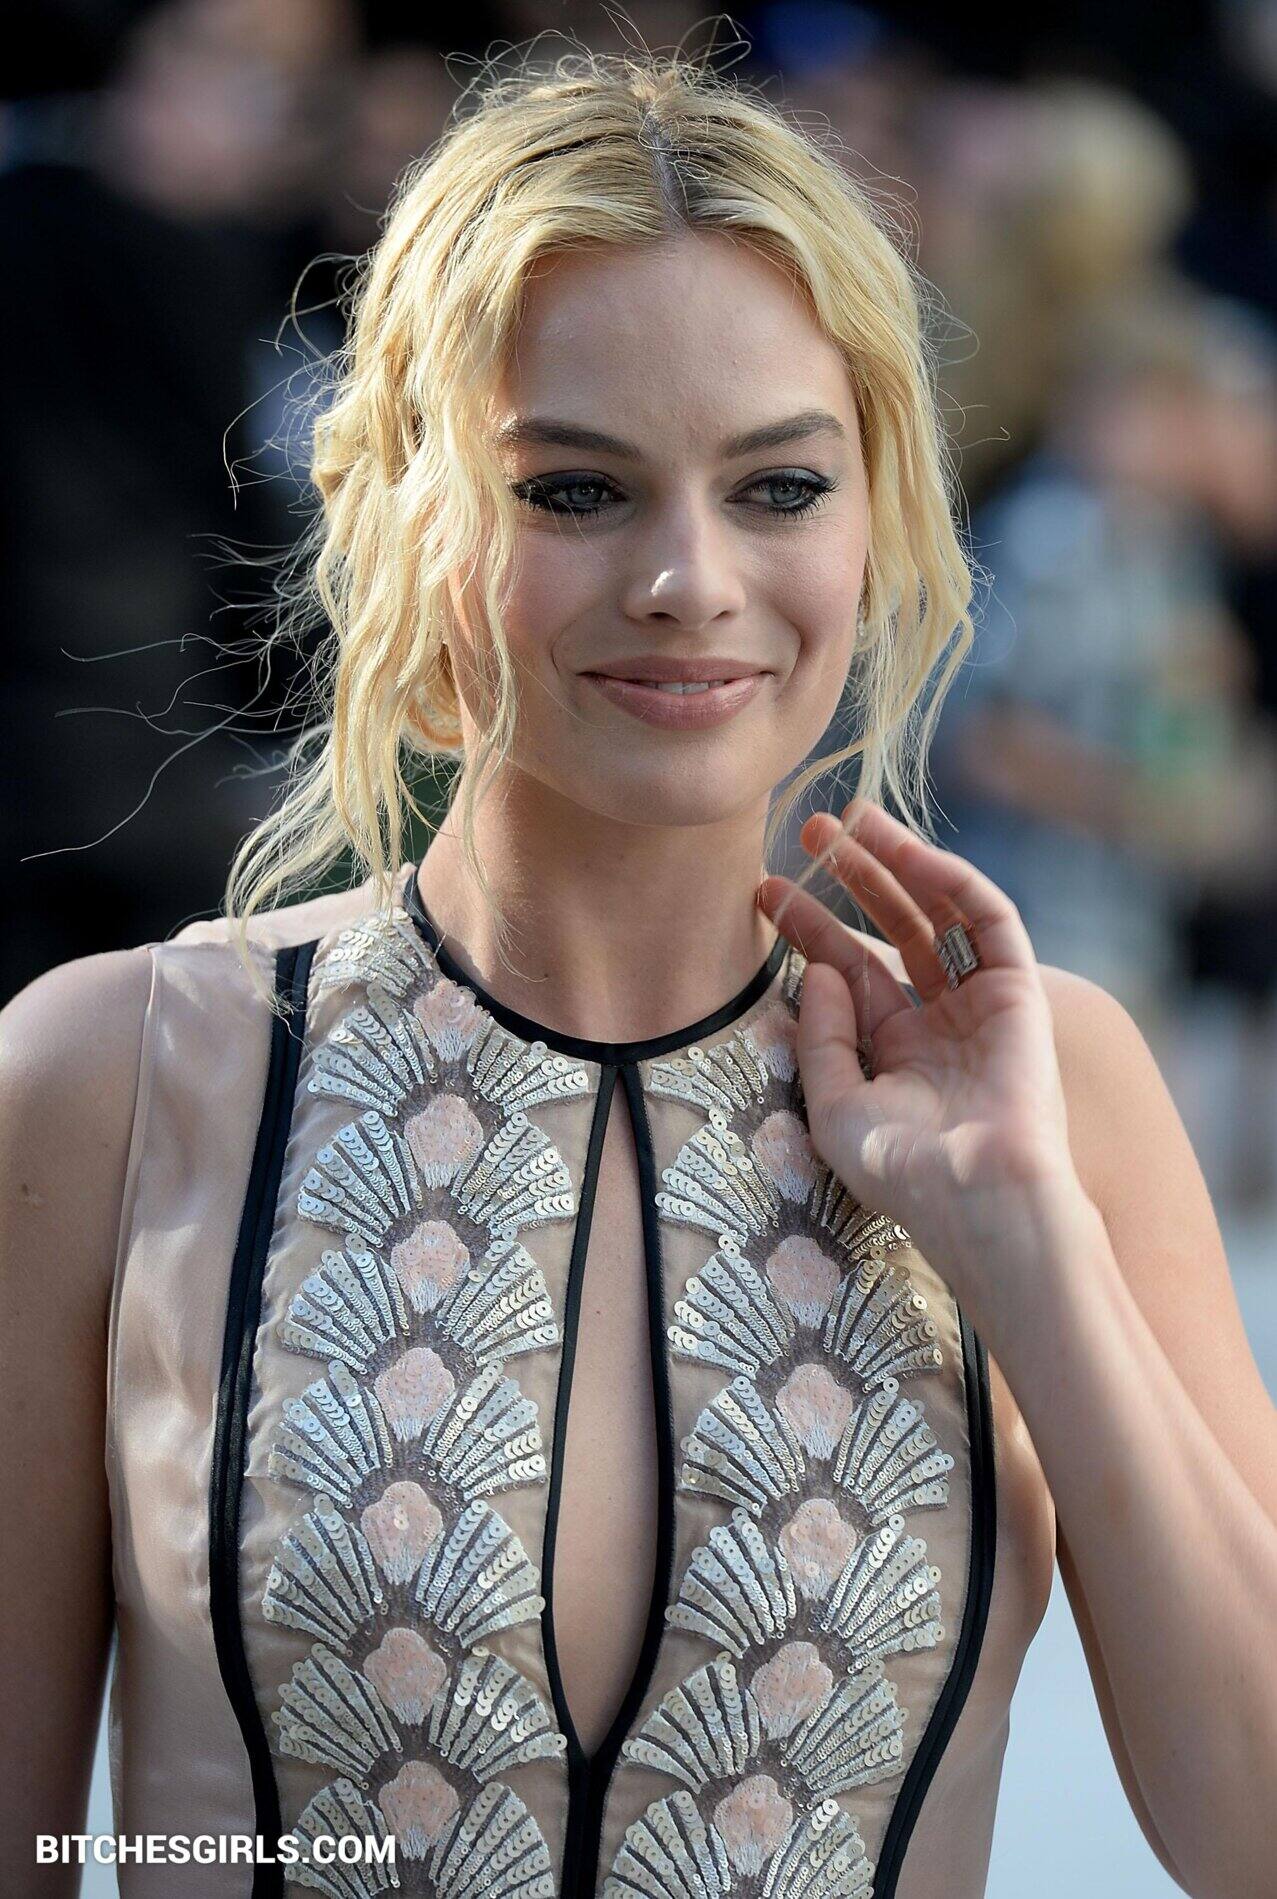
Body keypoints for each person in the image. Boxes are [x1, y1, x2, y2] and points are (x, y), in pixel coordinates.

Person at [3, 45, 1275, 1899]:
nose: (688, 578)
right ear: (413, 510)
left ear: (878, 519)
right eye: (576, 491)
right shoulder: (110, 1077)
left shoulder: (1050, 1095)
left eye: (779, 486)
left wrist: (1022, 1236)